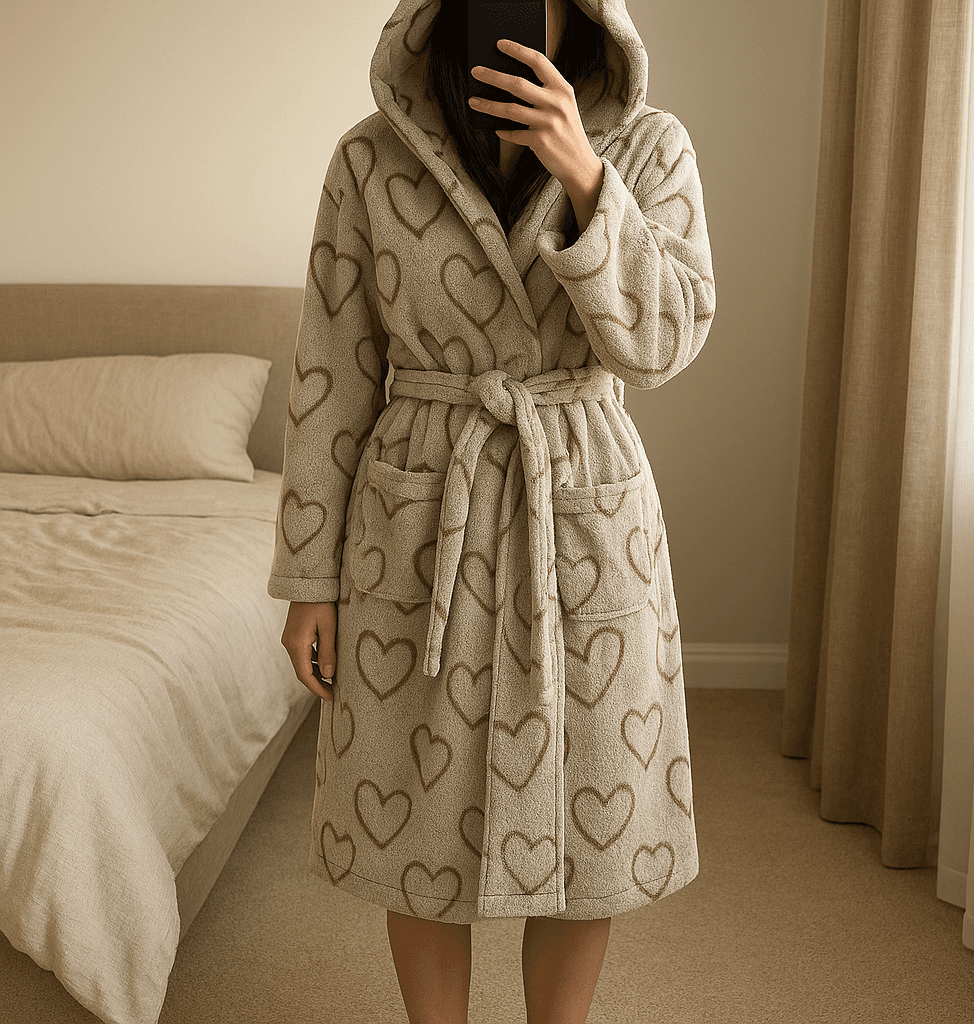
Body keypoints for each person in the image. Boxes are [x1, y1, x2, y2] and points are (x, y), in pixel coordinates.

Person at [268, 0, 715, 1020]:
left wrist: (585, 176)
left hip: (583, 504)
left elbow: (665, 343)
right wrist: (309, 579)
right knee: (417, 812)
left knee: (585, 808)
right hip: (419, 516)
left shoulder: (649, 145)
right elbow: (332, 375)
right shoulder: (369, 162)